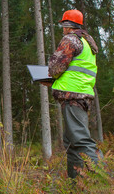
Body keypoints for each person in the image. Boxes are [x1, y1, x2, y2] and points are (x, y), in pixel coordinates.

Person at [43, 9, 103, 179]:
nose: (62, 28)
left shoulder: (70, 39)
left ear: (67, 25)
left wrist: (48, 74)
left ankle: (103, 180)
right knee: (71, 143)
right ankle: (75, 183)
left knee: (81, 140)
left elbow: (55, 69)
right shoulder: (87, 42)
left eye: (63, 25)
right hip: (82, 94)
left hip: (72, 96)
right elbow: (75, 71)